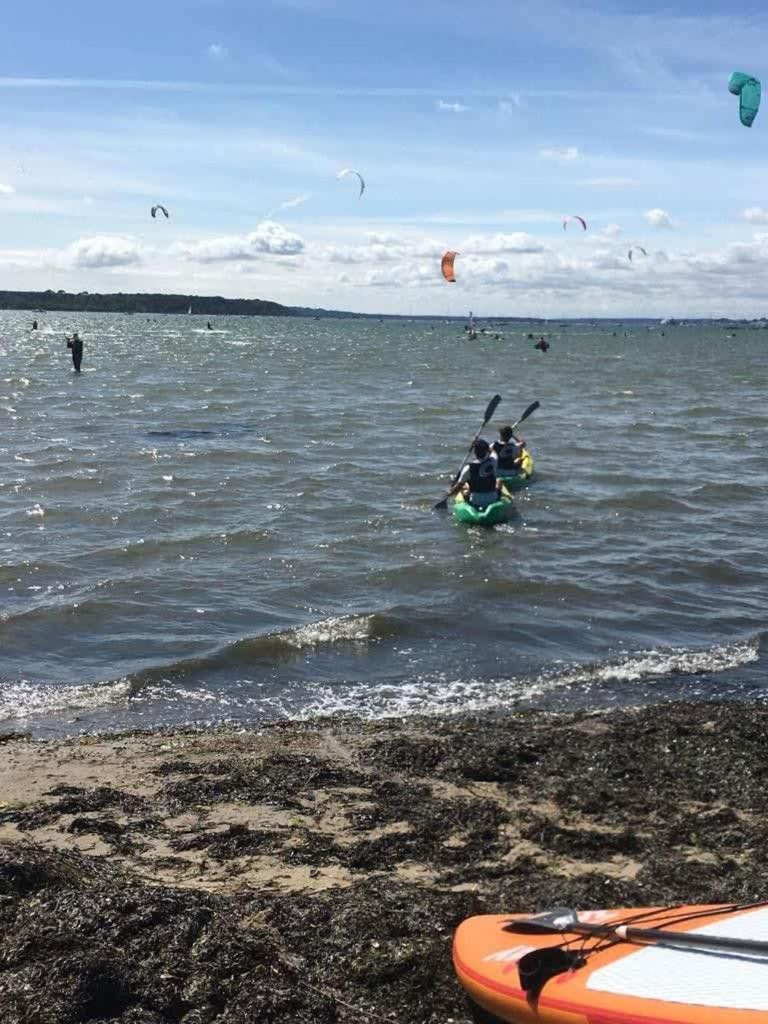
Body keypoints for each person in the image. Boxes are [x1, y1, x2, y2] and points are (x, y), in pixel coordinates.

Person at [448, 438, 500, 508]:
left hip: (475, 501)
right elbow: (494, 453)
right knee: (498, 482)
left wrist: (449, 492)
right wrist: (488, 448)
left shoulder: (468, 468)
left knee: (464, 487)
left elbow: (457, 487)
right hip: (492, 498)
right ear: (486, 451)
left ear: (475, 452)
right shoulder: (493, 461)